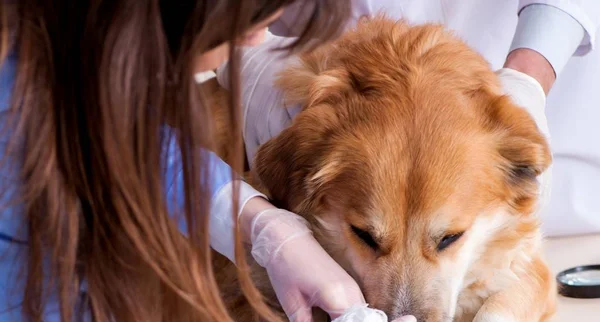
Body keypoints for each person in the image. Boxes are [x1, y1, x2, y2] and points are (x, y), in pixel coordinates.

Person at [0, 1, 428, 322]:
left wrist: (258, 221)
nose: (254, 40)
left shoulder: (45, 52)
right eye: (244, 19)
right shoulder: (10, 142)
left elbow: (111, 137)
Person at [222, 0, 600, 237]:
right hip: (305, 109)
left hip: (536, 111)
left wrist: (527, 77)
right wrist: (252, 68)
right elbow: (197, 19)